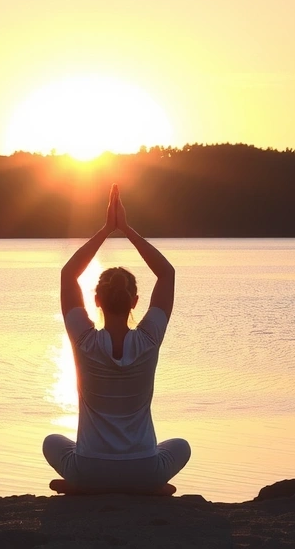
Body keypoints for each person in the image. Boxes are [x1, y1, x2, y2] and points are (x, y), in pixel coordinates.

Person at [42, 184, 191, 494]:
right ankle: (149, 487)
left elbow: (68, 274)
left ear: (96, 300)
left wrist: (106, 230)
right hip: (143, 470)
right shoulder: (149, 339)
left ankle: (82, 486)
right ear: (135, 301)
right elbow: (167, 274)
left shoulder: (83, 339)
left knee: (52, 443)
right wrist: (127, 230)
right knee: (180, 446)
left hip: (90, 469)